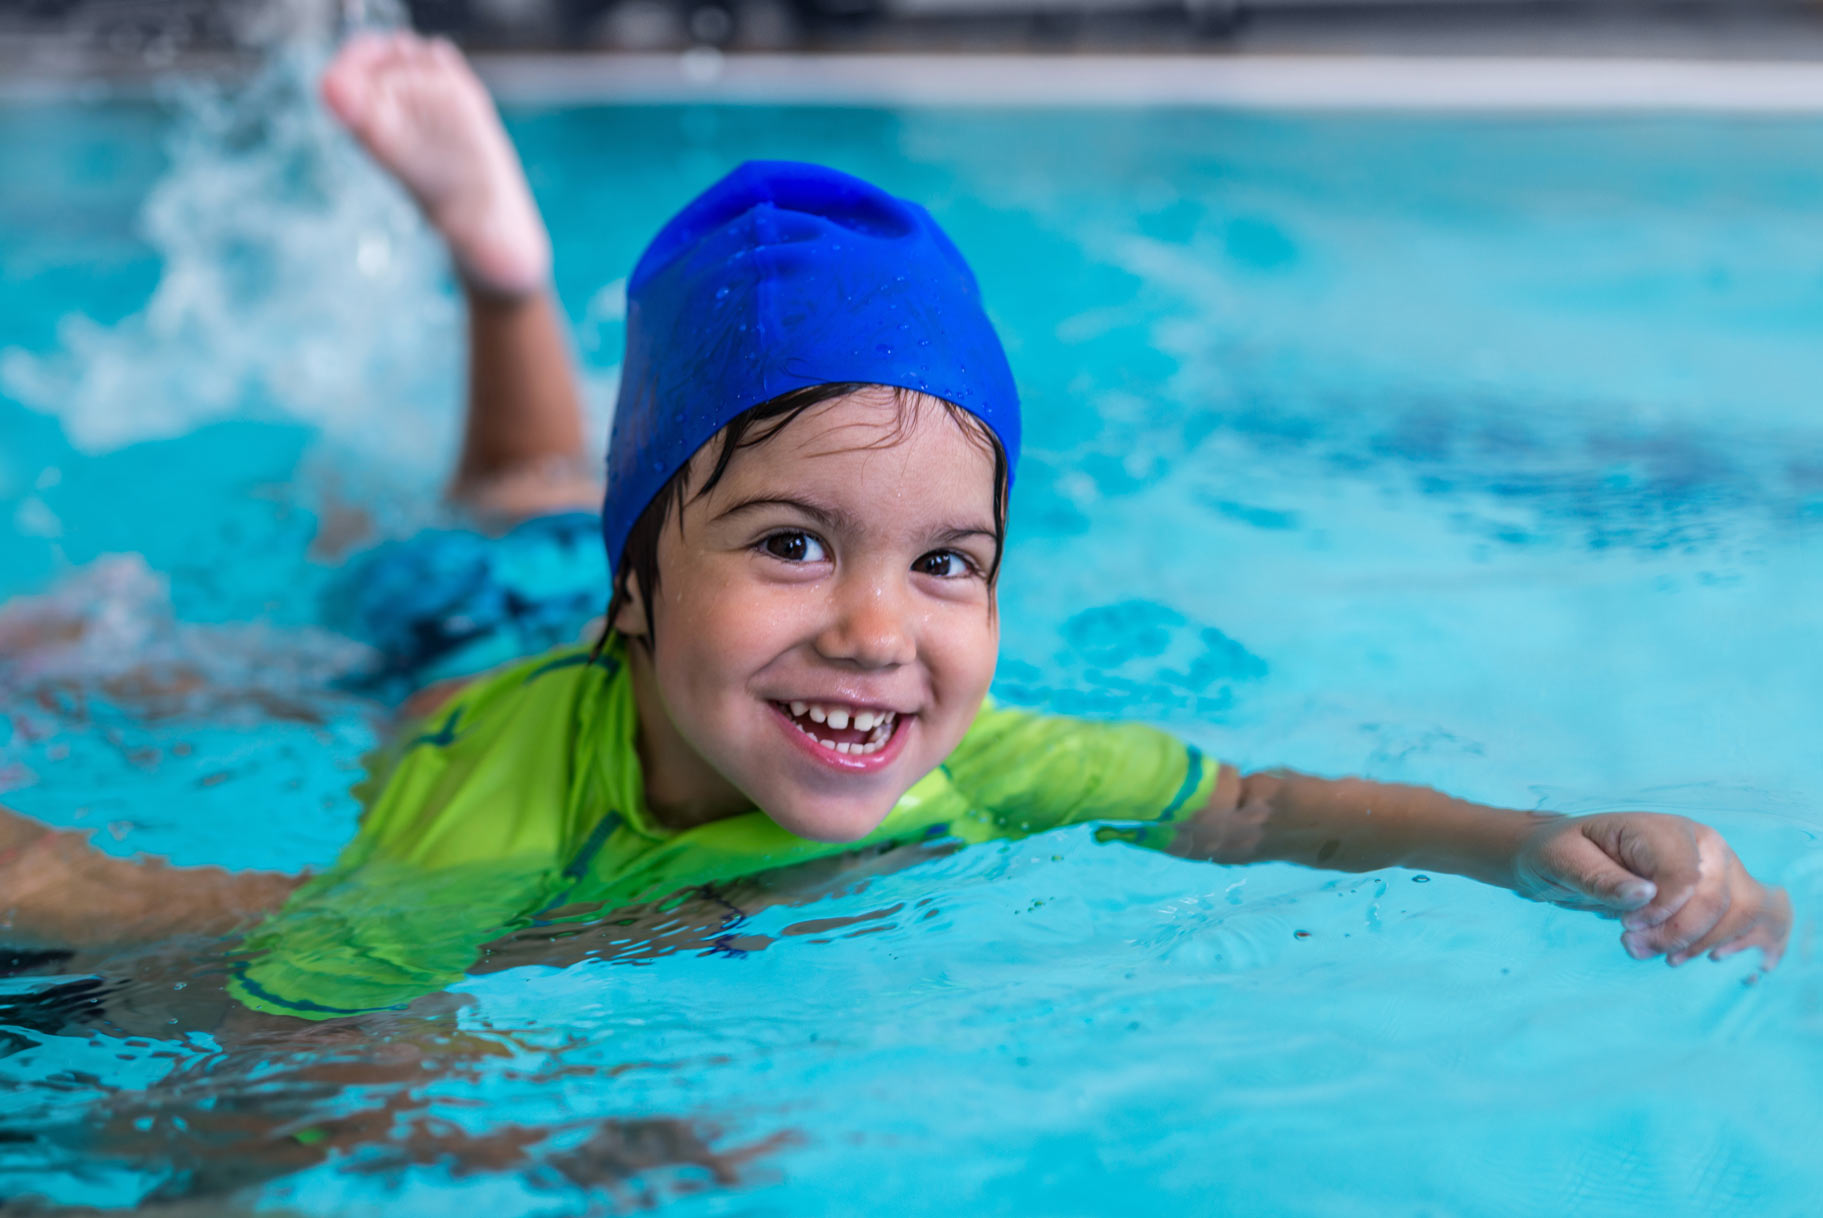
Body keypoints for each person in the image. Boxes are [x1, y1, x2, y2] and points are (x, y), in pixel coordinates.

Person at [0, 30, 1791, 1026]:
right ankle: (503, 284)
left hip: (624, 565)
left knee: (558, 497)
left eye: (946, 562)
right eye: (799, 544)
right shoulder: (498, 807)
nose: (877, 627)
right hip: (461, 636)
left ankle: (503, 263)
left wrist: (1532, 839)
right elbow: (291, 1017)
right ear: (647, 601)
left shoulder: (965, 746)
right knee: (392, 575)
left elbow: (1254, 807)